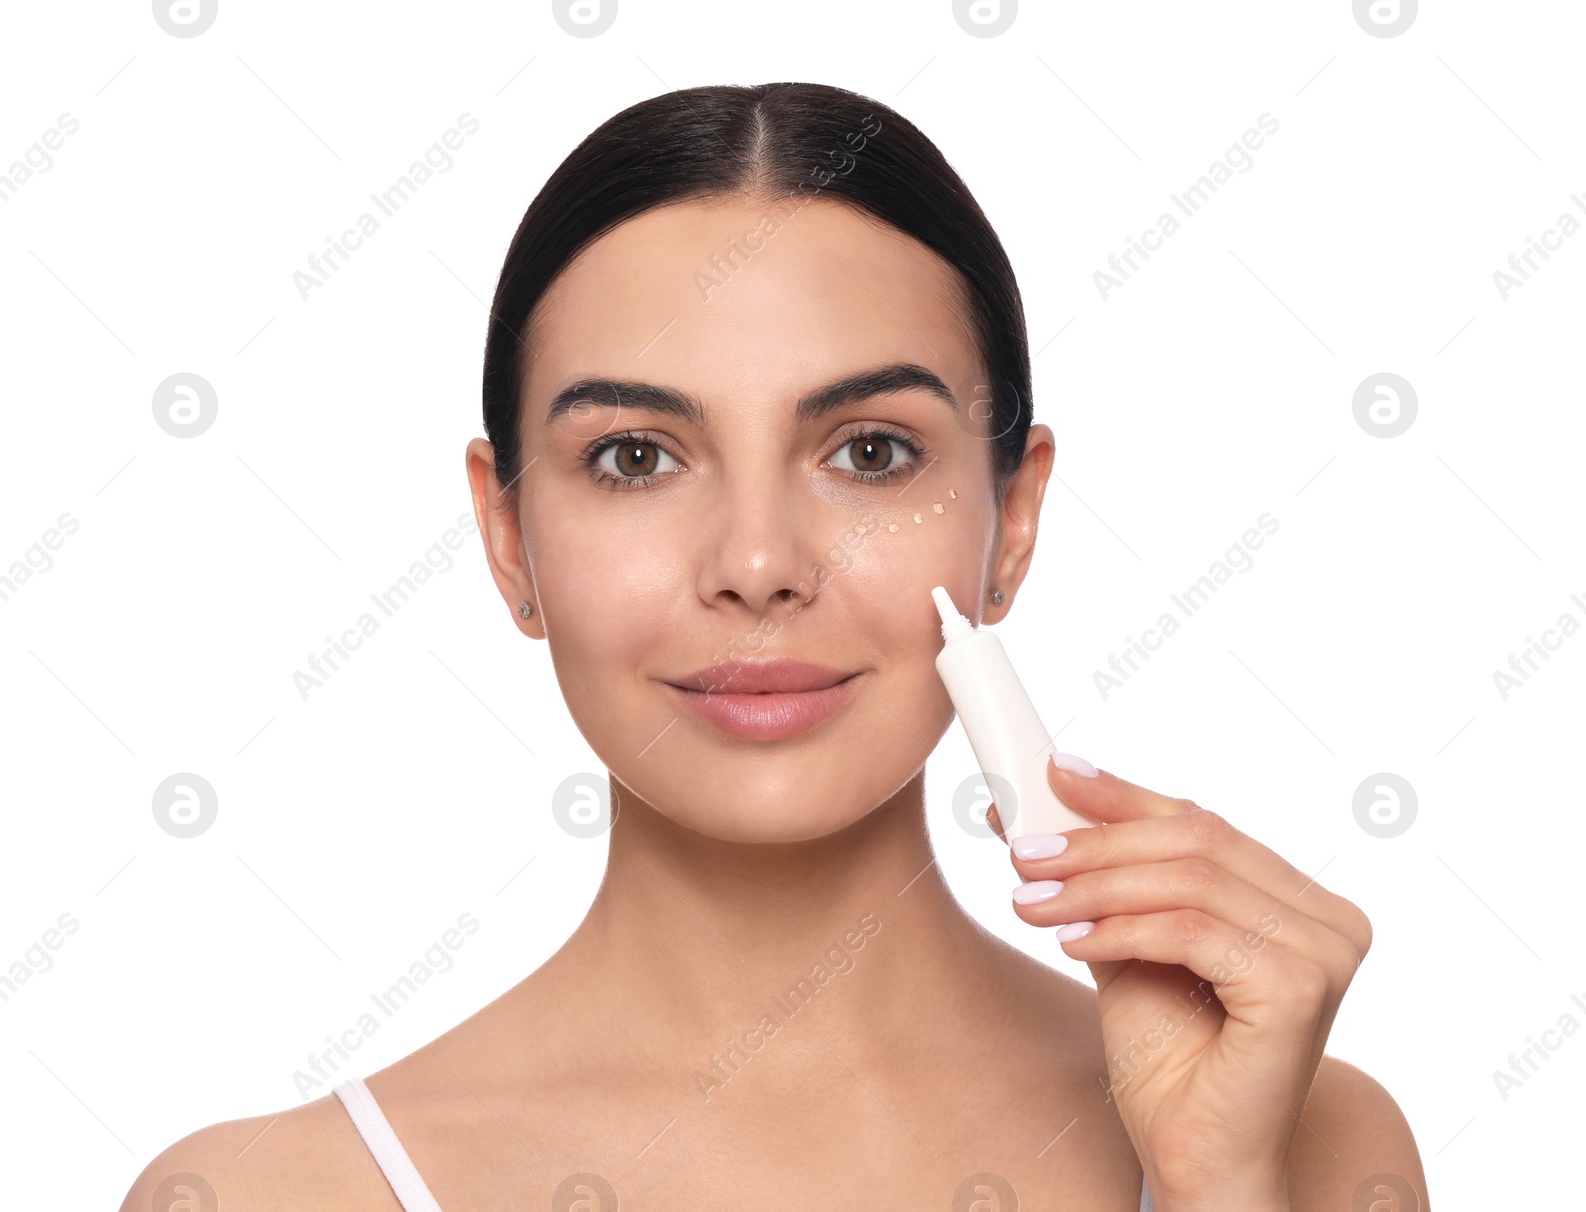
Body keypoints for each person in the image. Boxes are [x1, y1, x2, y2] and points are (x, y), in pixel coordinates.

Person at [121, 81, 1427, 1211]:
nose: (756, 566)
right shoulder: (267, 1195)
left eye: (870, 453)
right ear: (508, 535)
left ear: (1014, 518)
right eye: (635, 457)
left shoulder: (1306, 1145)